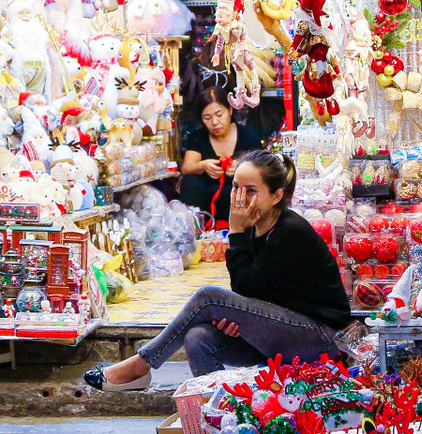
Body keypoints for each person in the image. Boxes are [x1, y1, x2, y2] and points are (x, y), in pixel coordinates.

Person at [84, 150, 352, 390]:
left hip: (322, 340)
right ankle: (218, 412)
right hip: (283, 333)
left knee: (209, 296)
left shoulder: (290, 230)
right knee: (198, 337)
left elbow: (245, 288)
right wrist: (242, 320)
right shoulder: (256, 224)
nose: (240, 198)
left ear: (276, 196)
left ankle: (141, 364)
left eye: (251, 190)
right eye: (236, 188)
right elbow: (256, 294)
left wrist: (235, 231)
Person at [179, 87, 264, 224]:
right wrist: (202, 166)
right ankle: (194, 228)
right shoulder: (198, 137)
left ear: (230, 111)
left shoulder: (248, 135)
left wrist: (242, 167)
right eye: (207, 117)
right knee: (190, 181)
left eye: (219, 115)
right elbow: (186, 168)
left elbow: (263, 168)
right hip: (206, 195)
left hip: (238, 194)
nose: (214, 122)